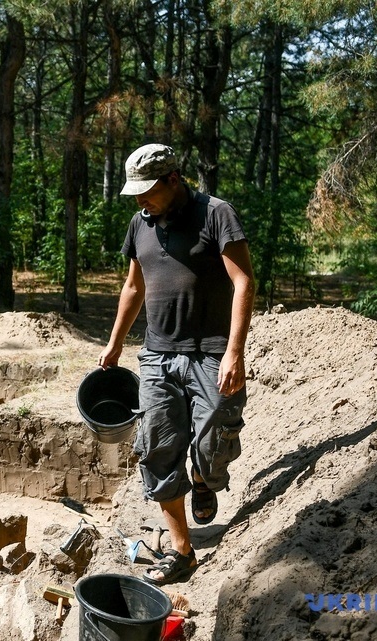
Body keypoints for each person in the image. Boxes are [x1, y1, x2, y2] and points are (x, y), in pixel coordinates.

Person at [98, 143, 255, 585]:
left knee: (212, 446)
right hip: (157, 355)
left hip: (210, 352)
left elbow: (243, 282)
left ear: (173, 179)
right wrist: (114, 344)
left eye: (147, 191)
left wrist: (234, 352)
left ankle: (205, 478)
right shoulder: (140, 223)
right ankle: (182, 551)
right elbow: (134, 287)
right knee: (158, 449)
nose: (139, 200)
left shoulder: (216, 214)